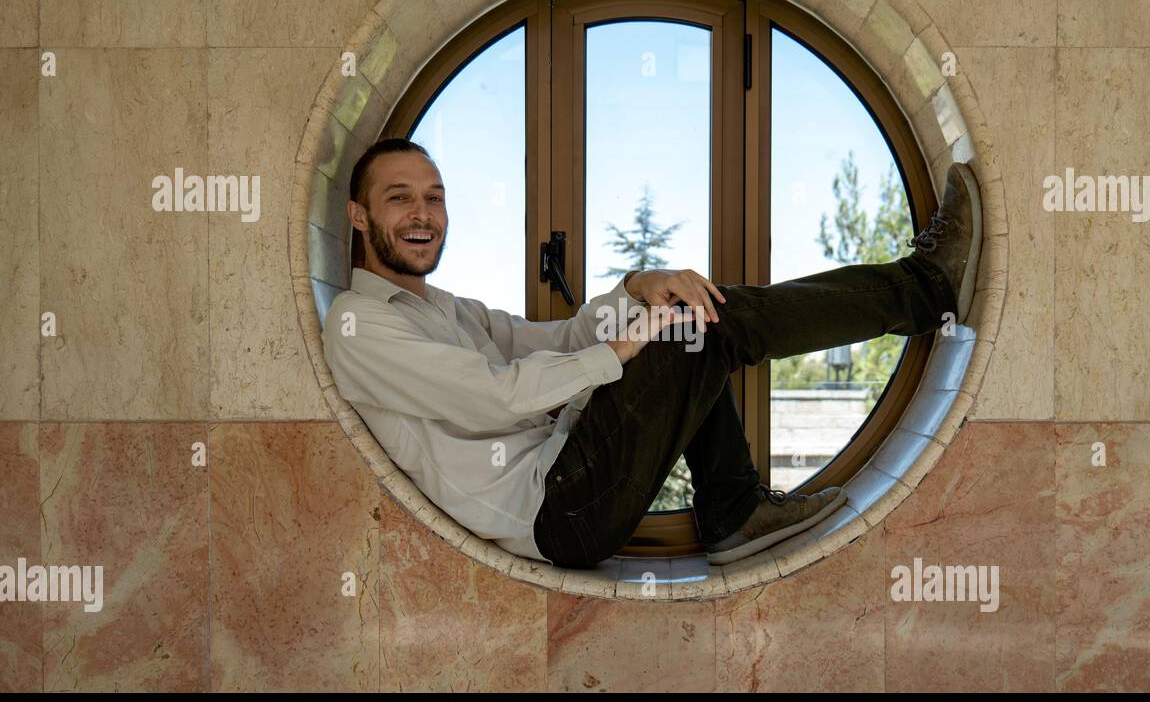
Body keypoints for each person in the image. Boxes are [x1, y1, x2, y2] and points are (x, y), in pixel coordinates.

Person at [322, 138, 982, 569]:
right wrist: (628, 345)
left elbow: (560, 341)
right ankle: (926, 286)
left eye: (433, 197)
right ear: (358, 216)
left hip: (572, 475)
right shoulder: (361, 326)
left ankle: (732, 511)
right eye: (400, 197)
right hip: (556, 515)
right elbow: (496, 394)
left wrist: (635, 289)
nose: (423, 214)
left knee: (680, 319)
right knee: (693, 326)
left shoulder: (447, 309)